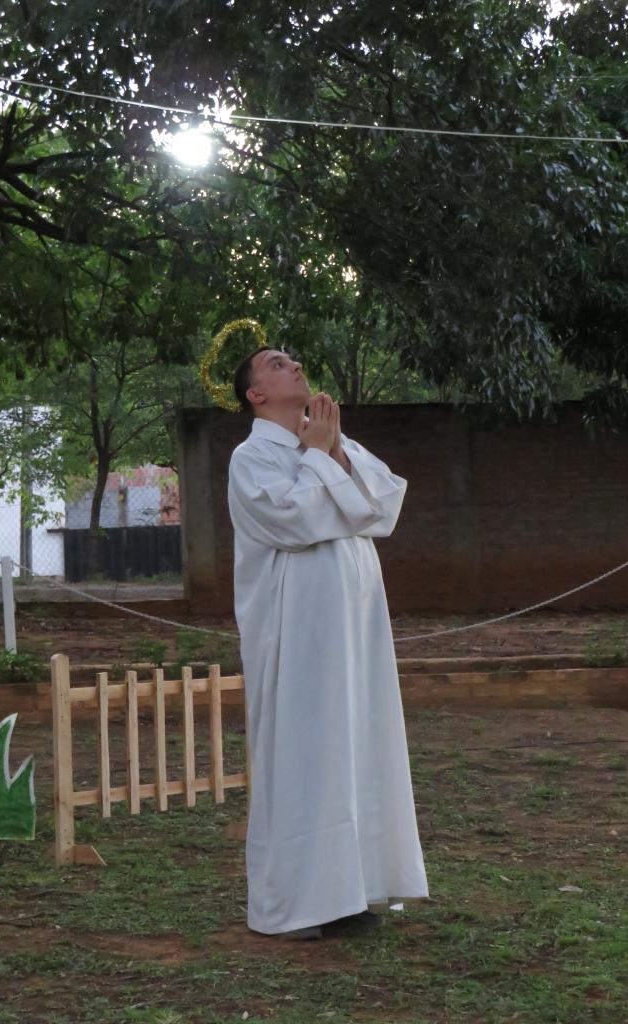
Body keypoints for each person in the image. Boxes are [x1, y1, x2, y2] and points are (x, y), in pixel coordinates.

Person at [227, 346, 429, 938]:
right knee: (307, 752)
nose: (291, 364)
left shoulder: (327, 436)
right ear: (255, 395)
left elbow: (381, 507)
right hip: (300, 631)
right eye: (274, 363)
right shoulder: (250, 458)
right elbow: (291, 520)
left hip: (355, 622)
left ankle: (353, 891)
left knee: (357, 745)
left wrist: (331, 451)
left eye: (291, 358)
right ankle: (299, 903)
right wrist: (321, 464)